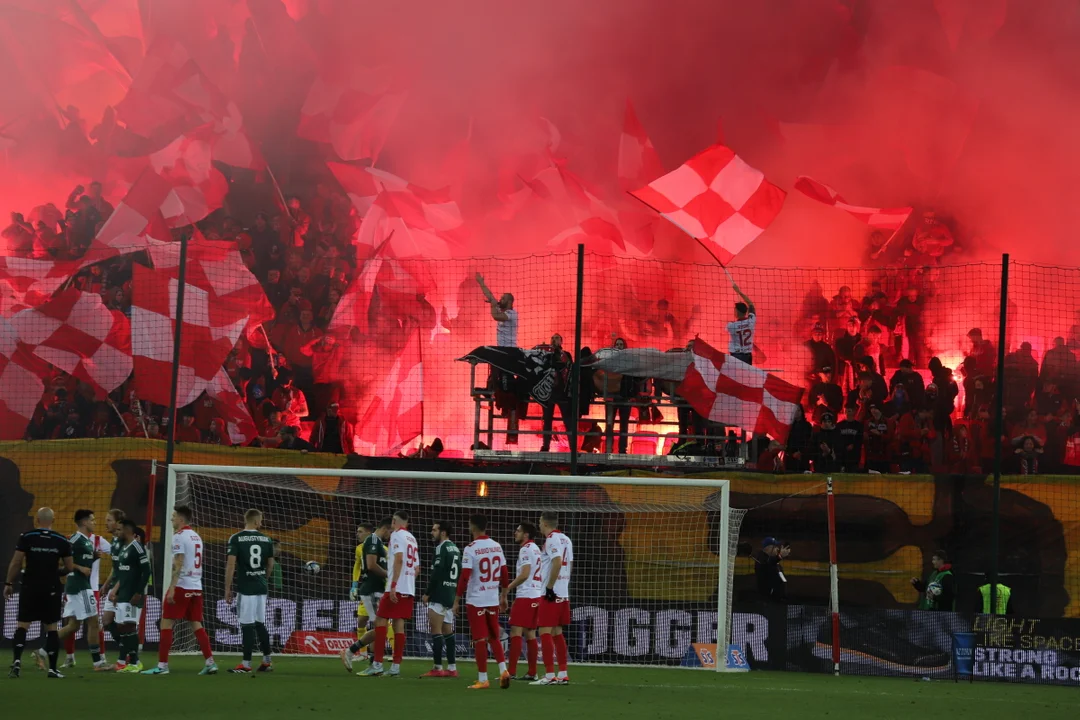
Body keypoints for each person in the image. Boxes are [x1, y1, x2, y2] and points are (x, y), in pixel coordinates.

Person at [143, 506, 217, 675]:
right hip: (196, 586)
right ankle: (210, 662)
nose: (171, 519)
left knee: (166, 623)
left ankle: (162, 666)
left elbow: (179, 562)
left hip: (182, 585)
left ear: (181, 520)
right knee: (197, 625)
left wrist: (172, 588)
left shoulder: (179, 537)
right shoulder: (196, 537)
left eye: (174, 516)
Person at [6, 508, 73, 679]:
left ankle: (17, 662)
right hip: (51, 589)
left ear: (36, 519)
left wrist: (8, 583)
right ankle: (52, 669)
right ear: (54, 519)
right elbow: (69, 567)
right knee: (51, 628)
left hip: (29, 586)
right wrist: (54, 572)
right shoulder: (61, 540)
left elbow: (16, 562)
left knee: (22, 625)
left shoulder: (27, 537)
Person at [453, 514, 511, 690]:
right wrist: (504, 595)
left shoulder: (471, 548)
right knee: (494, 636)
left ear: (472, 527)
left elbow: (464, 577)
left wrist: (456, 599)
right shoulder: (496, 546)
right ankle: (503, 671)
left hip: (476, 599)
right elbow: (505, 573)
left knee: (479, 639)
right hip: (492, 598)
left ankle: (483, 679)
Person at [358, 510, 418, 678]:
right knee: (399, 625)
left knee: (380, 621)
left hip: (396, 587)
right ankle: (395, 668)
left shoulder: (397, 535)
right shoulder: (412, 538)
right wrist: (407, 582)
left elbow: (398, 559)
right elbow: (417, 568)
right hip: (409, 588)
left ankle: (376, 664)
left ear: (393, 521)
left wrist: (393, 585)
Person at [52, 510, 107, 671]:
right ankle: (98, 663)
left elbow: (80, 559)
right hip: (79, 586)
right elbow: (64, 561)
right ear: (84, 522)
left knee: (73, 626)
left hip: (79, 585)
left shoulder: (87, 541)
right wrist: (80, 568)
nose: (95, 522)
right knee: (93, 622)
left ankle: (42, 651)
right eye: (92, 519)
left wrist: (94, 557)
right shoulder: (74, 539)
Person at [224, 509, 276, 674]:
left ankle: (246, 664)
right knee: (260, 623)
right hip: (261, 587)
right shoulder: (266, 539)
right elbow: (270, 564)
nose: (261, 523)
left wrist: (227, 588)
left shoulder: (236, 538)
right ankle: (267, 661)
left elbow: (231, 565)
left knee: (247, 625)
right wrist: (264, 579)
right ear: (255, 521)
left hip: (246, 589)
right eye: (260, 520)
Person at [341, 519, 392, 672]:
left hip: (377, 589)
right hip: (371, 590)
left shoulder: (378, 544)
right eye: (391, 532)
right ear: (386, 528)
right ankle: (352, 652)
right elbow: (370, 566)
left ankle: (373, 661)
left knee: (379, 627)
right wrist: (388, 576)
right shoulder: (373, 540)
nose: (391, 535)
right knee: (380, 627)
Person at [532, 511, 573, 686]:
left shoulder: (551, 539)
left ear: (546, 524)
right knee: (557, 632)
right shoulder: (567, 539)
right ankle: (563, 673)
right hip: (563, 592)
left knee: (544, 631)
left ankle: (549, 675)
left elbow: (557, 561)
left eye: (540, 522)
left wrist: (549, 587)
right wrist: (563, 585)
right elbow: (569, 564)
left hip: (551, 592)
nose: (539, 525)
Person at [107, 518, 150, 673]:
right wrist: (117, 592)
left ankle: (135, 662)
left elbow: (147, 572)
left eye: (120, 528)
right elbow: (123, 574)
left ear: (128, 530)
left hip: (132, 595)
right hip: (123, 594)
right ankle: (127, 661)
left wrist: (138, 592)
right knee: (122, 627)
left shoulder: (137, 548)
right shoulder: (124, 548)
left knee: (129, 627)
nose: (118, 531)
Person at [420, 520, 461, 678]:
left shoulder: (441, 548)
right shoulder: (456, 549)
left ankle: (437, 667)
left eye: (434, 530)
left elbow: (436, 573)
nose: (432, 532)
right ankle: (452, 668)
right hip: (450, 593)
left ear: (443, 532)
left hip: (439, 593)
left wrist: (427, 593)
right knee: (448, 631)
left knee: (435, 630)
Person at [502, 522, 543, 682]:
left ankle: (511, 671)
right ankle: (532, 672)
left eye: (518, 531)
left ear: (526, 535)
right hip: (536, 595)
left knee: (515, 632)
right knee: (530, 634)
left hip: (526, 595)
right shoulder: (536, 549)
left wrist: (508, 588)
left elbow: (525, 574)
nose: (515, 533)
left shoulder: (526, 549)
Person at [98, 508, 126, 670]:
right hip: (115, 586)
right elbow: (115, 567)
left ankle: (129, 657)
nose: (106, 523)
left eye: (109, 520)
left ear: (117, 523)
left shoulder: (124, 541)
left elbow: (125, 569)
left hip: (124, 587)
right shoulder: (114, 541)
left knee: (125, 625)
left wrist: (114, 588)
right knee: (107, 621)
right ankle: (127, 651)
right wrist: (106, 583)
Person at [475, 273, 517, 347]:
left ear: (509, 302)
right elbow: (490, 296)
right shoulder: (500, 309)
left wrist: (493, 305)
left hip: (510, 350)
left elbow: (496, 316)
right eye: (501, 298)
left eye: (503, 298)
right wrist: (481, 283)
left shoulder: (512, 313)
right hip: (501, 349)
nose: (500, 300)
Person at [726, 282, 756, 364]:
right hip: (748, 356)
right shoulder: (751, 321)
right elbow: (750, 304)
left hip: (736, 356)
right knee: (746, 376)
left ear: (736, 311)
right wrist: (739, 292)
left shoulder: (731, 326)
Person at [753, 537, 790, 602]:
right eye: (775, 547)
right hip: (768, 601)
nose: (778, 549)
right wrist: (780, 556)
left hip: (779, 600)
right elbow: (767, 563)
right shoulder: (761, 558)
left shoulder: (773, 560)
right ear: (769, 548)